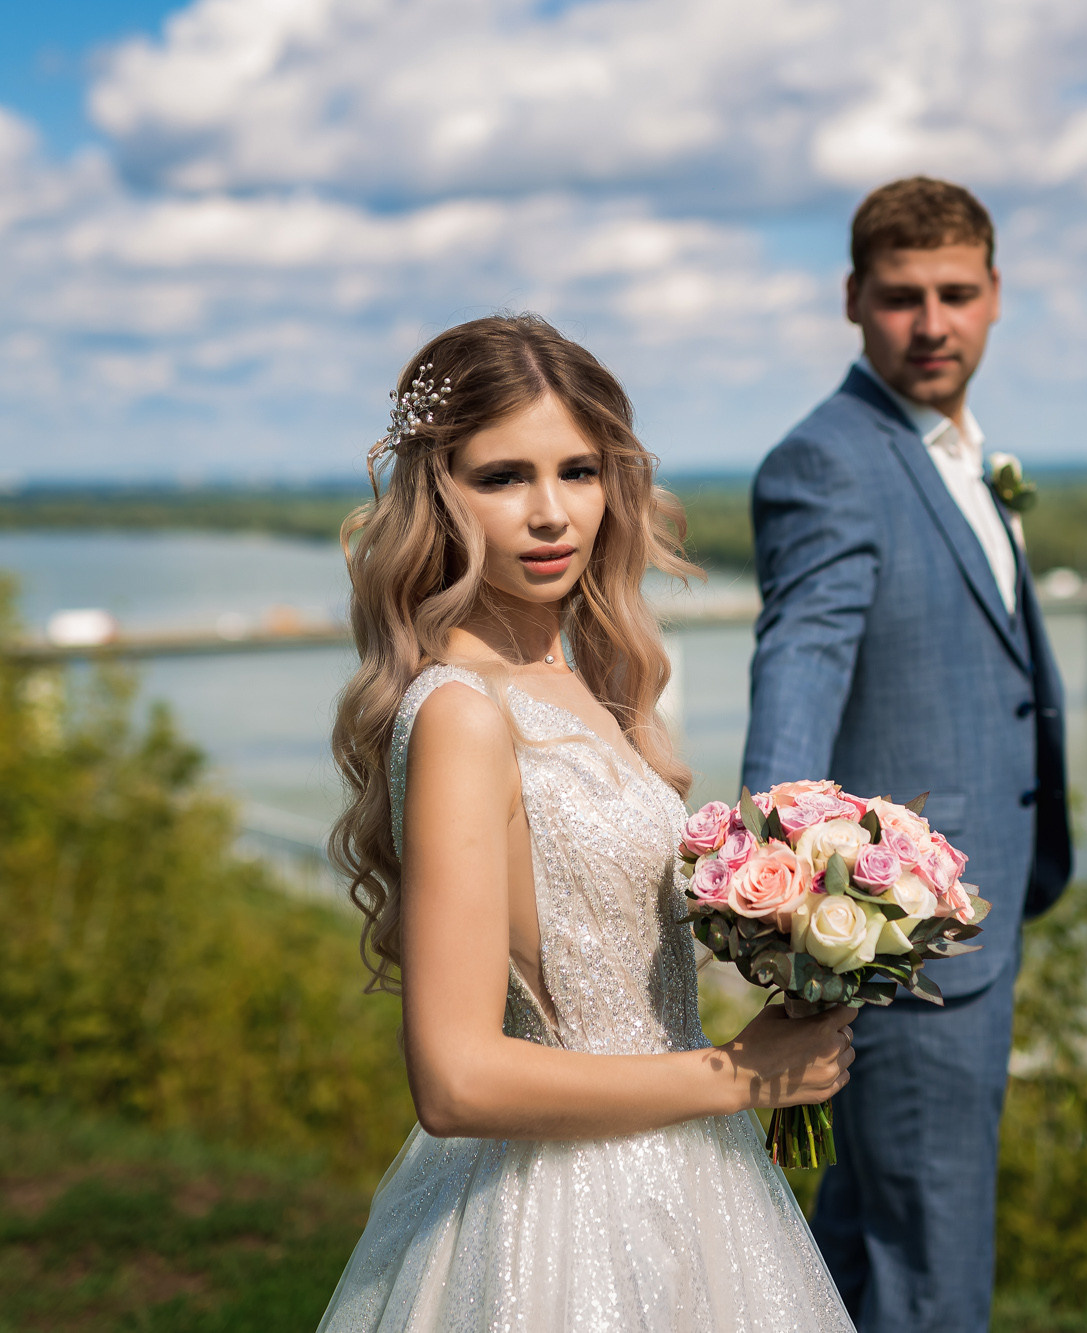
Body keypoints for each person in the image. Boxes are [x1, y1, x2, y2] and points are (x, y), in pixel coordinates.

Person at [319, 314, 855, 1332]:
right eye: (502, 477)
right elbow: (455, 1080)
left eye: (578, 470)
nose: (550, 512)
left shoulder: (583, 681)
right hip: (560, 1225)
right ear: (440, 492)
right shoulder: (462, 714)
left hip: (691, 1185)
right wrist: (739, 1074)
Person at [741, 177, 1073, 1331]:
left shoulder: (956, 453)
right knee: (930, 1262)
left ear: (994, 295)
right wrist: (783, 892)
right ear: (851, 299)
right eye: (899, 297)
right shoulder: (826, 461)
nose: (930, 324)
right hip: (904, 943)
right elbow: (802, 660)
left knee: (860, 1240)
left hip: (976, 918)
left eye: (954, 293)